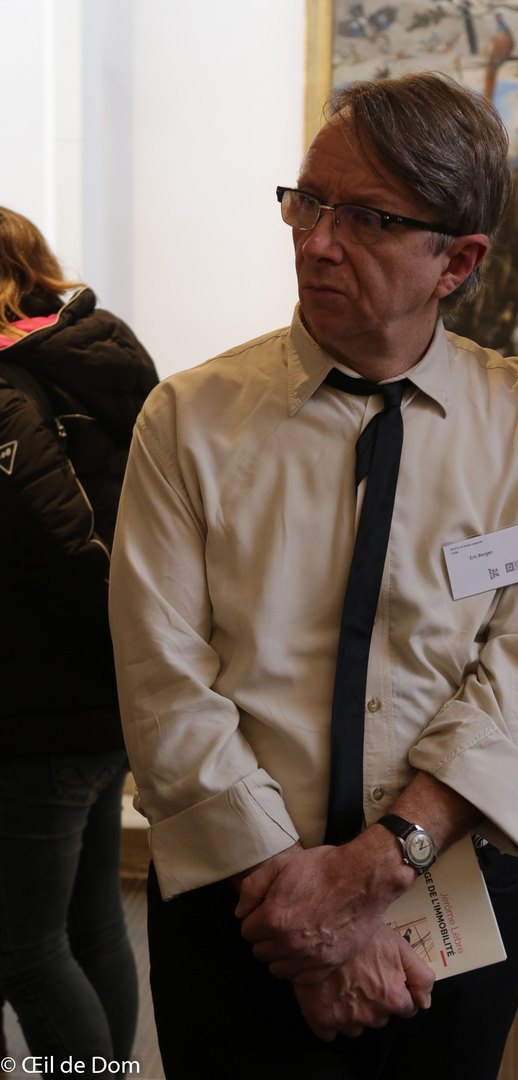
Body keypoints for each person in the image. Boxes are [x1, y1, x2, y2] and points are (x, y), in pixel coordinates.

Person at [109, 72, 518, 1080]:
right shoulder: (189, 421)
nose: (317, 242)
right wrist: (304, 913)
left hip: (451, 906)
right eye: (308, 202)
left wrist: (377, 867)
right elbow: (163, 684)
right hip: (241, 906)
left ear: (457, 261)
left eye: (367, 218)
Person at [0, 207, 158, 1073]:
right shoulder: (89, 359)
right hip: (99, 699)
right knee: (92, 921)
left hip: (39, 714)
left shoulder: (6, 390)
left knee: (24, 950)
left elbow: (61, 549)